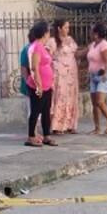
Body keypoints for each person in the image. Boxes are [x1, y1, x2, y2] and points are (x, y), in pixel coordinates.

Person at [25, 19, 55, 147]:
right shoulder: (36, 47)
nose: (49, 34)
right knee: (36, 111)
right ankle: (31, 136)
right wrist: (39, 85)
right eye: (48, 32)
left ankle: (46, 135)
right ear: (44, 33)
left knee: (46, 111)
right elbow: (34, 68)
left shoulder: (42, 47)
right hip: (38, 85)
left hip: (47, 85)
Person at [48, 18, 79, 134]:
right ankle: (57, 126)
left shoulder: (70, 40)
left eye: (68, 27)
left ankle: (70, 124)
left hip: (71, 74)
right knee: (60, 97)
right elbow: (48, 57)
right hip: (59, 74)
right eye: (65, 27)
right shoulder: (52, 41)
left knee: (71, 97)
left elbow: (76, 53)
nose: (68, 29)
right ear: (59, 28)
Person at [85, 22, 107, 136]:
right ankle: (97, 127)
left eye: (92, 31)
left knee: (100, 101)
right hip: (93, 76)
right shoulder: (92, 45)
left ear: (96, 34)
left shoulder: (104, 45)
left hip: (103, 75)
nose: (90, 33)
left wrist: (105, 74)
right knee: (95, 103)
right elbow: (83, 53)